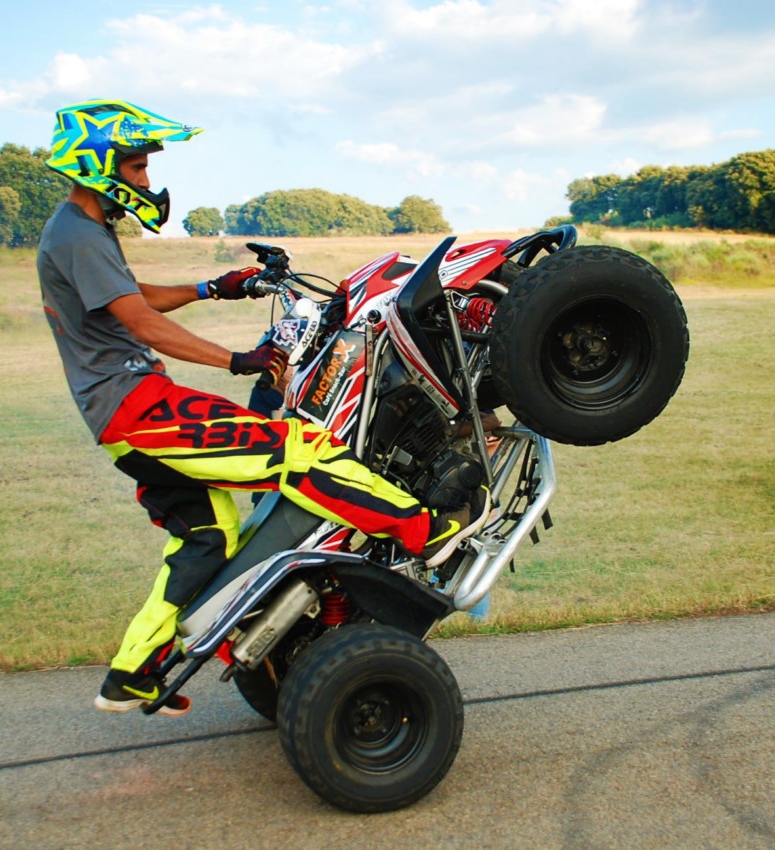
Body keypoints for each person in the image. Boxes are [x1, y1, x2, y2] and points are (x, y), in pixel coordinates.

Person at [37, 100, 489, 716]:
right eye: (138, 166)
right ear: (100, 162)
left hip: (119, 418)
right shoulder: (78, 232)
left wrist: (211, 287)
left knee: (206, 537)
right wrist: (235, 361)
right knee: (298, 452)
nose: (145, 181)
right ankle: (426, 532)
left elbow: (132, 294)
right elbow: (138, 320)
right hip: (140, 405)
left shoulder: (81, 234)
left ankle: (133, 673)